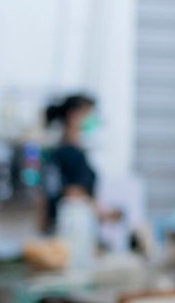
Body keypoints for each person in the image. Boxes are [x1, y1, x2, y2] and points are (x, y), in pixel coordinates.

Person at [41, 94, 121, 239]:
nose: (93, 120)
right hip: (72, 228)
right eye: (89, 114)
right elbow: (72, 194)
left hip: (65, 228)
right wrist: (102, 212)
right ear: (74, 116)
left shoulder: (60, 151)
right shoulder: (70, 154)